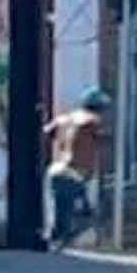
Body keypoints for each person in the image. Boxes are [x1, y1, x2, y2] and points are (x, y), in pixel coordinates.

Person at [44, 90, 109, 252]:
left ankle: (58, 241)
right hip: (75, 172)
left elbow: (47, 131)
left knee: (65, 211)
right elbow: (101, 138)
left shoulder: (64, 119)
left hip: (57, 169)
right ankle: (57, 242)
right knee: (75, 215)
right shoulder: (92, 121)